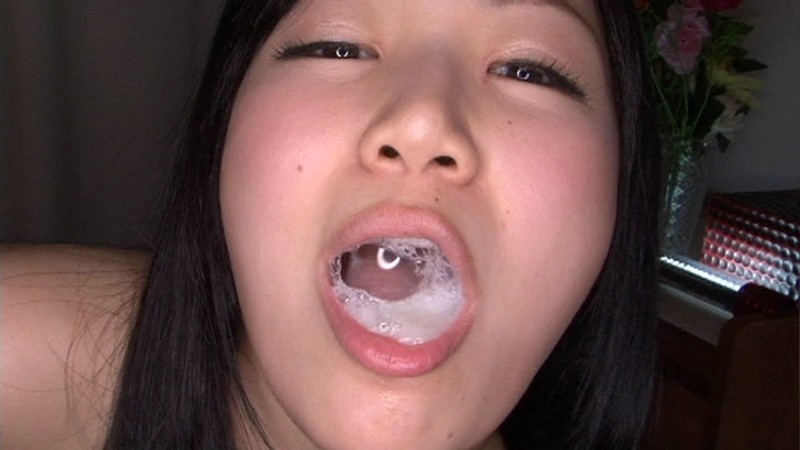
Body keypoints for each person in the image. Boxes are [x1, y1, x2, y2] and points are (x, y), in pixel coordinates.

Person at [1, 0, 660, 448]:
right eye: (338, 46)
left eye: (529, 69)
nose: (422, 122)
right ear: (223, 127)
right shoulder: (26, 352)